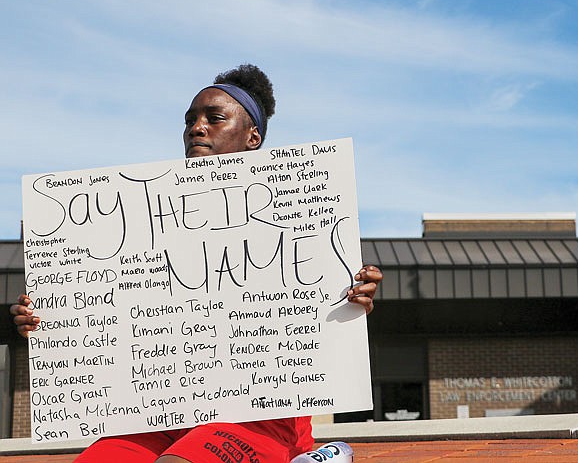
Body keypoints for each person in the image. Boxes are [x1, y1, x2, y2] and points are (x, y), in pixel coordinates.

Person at [10, 64, 382, 463]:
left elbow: (323, 310)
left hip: (259, 415)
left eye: (214, 118)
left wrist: (351, 297)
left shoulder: (296, 212)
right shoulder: (139, 218)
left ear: (253, 136)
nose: (196, 127)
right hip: (158, 417)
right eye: (190, 120)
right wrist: (53, 323)